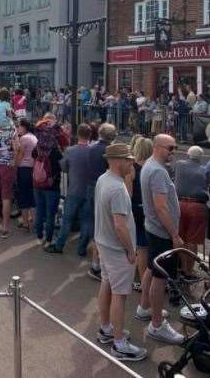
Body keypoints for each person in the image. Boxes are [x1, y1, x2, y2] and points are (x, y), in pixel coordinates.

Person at [94, 143, 147, 362]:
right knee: (120, 294)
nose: (131, 162)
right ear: (117, 161)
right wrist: (130, 250)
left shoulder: (103, 179)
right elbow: (120, 225)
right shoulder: (117, 187)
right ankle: (119, 343)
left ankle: (106, 328)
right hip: (117, 249)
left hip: (104, 244)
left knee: (107, 284)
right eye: (128, 159)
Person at [137, 134, 184, 345]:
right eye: (170, 148)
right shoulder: (156, 171)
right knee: (160, 276)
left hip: (153, 228)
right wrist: (174, 234)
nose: (173, 152)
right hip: (162, 232)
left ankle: (145, 306)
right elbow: (161, 206)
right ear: (157, 147)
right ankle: (156, 325)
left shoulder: (150, 165)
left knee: (151, 268)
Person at [45, 123, 91, 255]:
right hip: (88, 190)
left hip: (74, 189)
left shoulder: (70, 151)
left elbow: (64, 168)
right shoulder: (92, 151)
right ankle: (81, 249)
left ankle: (59, 245)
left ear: (78, 135)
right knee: (86, 220)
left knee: (67, 219)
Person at [85, 123, 117, 280]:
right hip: (103, 188)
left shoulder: (90, 148)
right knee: (103, 225)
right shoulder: (109, 151)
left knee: (93, 221)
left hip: (91, 186)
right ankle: (97, 263)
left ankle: (93, 256)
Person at [175, 145, 210, 279]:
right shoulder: (203, 170)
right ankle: (189, 270)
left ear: (188, 154)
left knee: (181, 238)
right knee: (192, 240)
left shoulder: (179, 165)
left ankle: (182, 268)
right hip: (197, 205)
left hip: (180, 203)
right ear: (200, 157)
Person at [130, 137, 153, 291]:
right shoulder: (153, 168)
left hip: (136, 209)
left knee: (140, 247)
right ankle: (144, 280)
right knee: (145, 247)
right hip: (149, 210)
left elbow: (128, 192)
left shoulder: (131, 167)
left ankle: (140, 277)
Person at [32, 130, 62, 248]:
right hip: (52, 186)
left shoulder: (37, 148)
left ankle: (39, 236)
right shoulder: (55, 151)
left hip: (37, 184)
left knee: (39, 210)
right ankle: (49, 239)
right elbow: (62, 166)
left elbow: (33, 157)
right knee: (50, 214)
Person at [14, 119, 37, 230]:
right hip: (33, 169)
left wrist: (15, 167)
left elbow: (20, 155)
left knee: (23, 196)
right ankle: (33, 220)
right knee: (32, 195)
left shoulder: (24, 138)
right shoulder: (33, 137)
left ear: (24, 127)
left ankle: (25, 223)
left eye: (19, 126)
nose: (18, 128)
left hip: (24, 169)